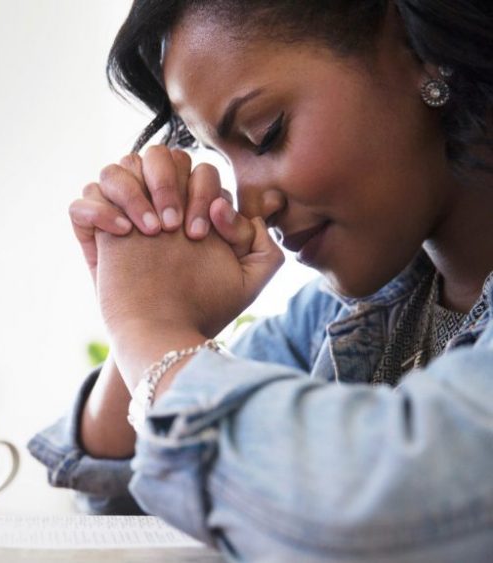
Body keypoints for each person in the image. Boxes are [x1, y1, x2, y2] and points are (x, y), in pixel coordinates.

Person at [28, 0, 493, 560]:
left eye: (265, 134)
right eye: (221, 158)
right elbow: (115, 484)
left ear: (420, 54)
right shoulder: (338, 318)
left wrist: (148, 325)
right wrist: (155, 312)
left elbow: (374, 512)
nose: (252, 205)